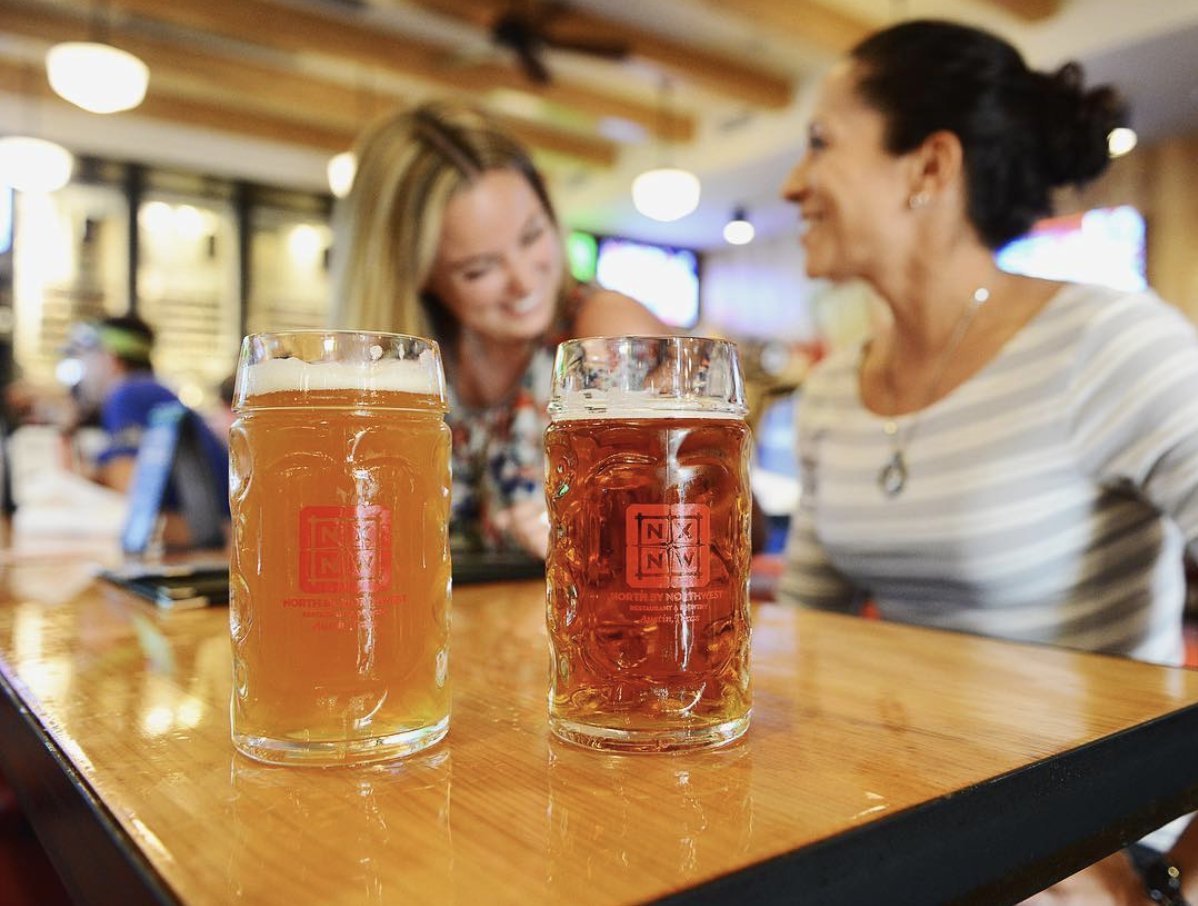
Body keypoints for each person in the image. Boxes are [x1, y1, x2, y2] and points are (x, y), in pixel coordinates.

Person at [774, 19, 1198, 904]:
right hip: (903, 823)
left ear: (930, 167)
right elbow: (806, 641)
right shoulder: (829, 395)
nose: (791, 184)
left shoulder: (1109, 343)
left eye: (819, 145)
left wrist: (1168, 877)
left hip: (1084, 855)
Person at [329, 100, 667, 558]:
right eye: (479, 269)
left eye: (532, 236)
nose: (525, 282)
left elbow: (723, 521)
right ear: (415, 274)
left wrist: (596, 532)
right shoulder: (406, 370)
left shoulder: (602, 333)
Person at [65, 314, 229, 537]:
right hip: (212, 536)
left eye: (84, 358)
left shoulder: (128, 393)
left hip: (196, 542)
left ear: (110, 359)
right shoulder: (151, 391)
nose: (81, 372)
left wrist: (78, 475)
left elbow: (130, 489)